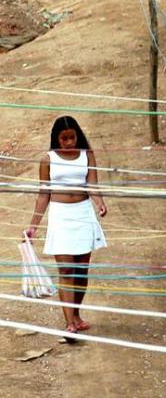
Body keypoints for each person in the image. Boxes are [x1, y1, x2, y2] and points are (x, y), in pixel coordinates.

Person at [25, 117, 108, 336]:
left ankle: (76, 315)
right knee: (66, 270)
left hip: (83, 215)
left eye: (72, 137)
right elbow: (43, 194)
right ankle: (69, 323)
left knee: (81, 271)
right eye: (64, 138)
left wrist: (99, 203)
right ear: (56, 138)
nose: (69, 142)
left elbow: (92, 184)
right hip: (60, 217)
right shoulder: (48, 159)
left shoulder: (87, 155)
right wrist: (33, 226)